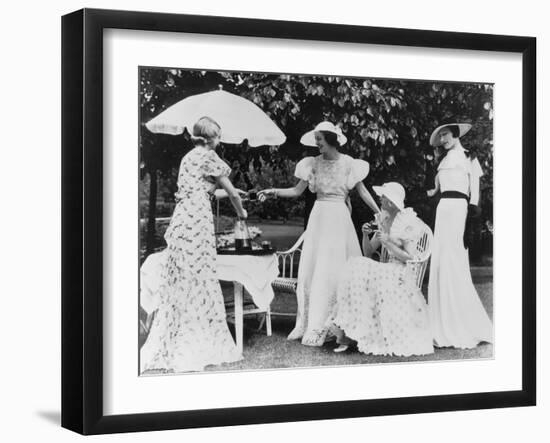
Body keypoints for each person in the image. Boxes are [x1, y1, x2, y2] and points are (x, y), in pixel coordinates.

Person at [258, 121, 381, 346]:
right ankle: (314, 323)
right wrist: (273, 191)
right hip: (319, 218)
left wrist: (379, 212)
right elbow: (297, 190)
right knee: (317, 269)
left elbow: (362, 192)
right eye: (316, 141)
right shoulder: (312, 164)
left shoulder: (349, 164)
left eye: (320, 141)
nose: (317, 145)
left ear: (332, 140)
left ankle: (341, 324)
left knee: (337, 268)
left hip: (339, 219)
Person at [140, 116, 247, 373]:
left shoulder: (187, 158)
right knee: (201, 276)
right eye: (219, 137)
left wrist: (233, 192)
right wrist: (241, 212)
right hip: (197, 220)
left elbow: (204, 189)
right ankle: (198, 338)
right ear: (211, 138)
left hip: (182, 219)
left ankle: (181, 334)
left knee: (184, 279)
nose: (219, 141)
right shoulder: (210, 157)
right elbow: (229, 192)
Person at [329, 182, 434, 356]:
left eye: (383, 197)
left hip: (400, 270)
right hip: (386, 269)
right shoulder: (384, 219)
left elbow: (410, 257)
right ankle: (349, 333)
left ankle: (356, 335)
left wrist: (388, 243)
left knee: (363, 270)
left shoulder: (406, 223)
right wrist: (365, 235)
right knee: (356, 265)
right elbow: (368, 252)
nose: (380, 199)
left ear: (391, 202)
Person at [426, 123, 493, 349]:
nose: (443, 139)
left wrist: (472, 211)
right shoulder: (443, 161)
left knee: (454, 260)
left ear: (455, 134)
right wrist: (433, 191)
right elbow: (439, 185)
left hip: (458, 210)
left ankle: (462, 321)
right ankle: (440, 321)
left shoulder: (469, 157)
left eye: (446, 135)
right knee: (441, 260)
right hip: (443, 209)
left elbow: (475, 187)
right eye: (441, 136)